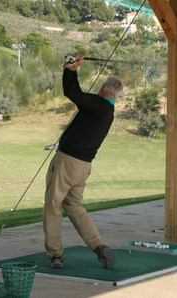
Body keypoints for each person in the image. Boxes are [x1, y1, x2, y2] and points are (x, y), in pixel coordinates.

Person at [43, 53, 123, 269]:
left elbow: (72, 92)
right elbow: (79, 96)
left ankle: (55, 255)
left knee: (52, 205)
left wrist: (71, 69)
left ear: (104, 88)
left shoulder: (98, 105)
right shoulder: (108, 111)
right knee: (73, 205)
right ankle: (98, 247)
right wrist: (72, 69)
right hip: (83, 167)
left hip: (68, 162)